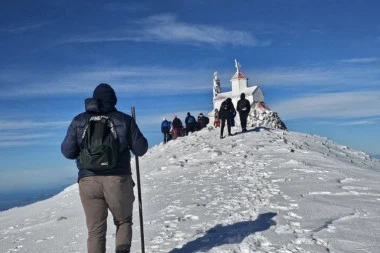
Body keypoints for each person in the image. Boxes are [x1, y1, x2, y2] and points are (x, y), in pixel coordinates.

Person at [61, 83, 148, 253]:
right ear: (113, 100)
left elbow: (67, 151)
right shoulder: (124, 119)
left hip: (88, 181)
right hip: (118, 180)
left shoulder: (79, 120)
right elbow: (141, 149)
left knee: (95, 231)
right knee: (123, 222)